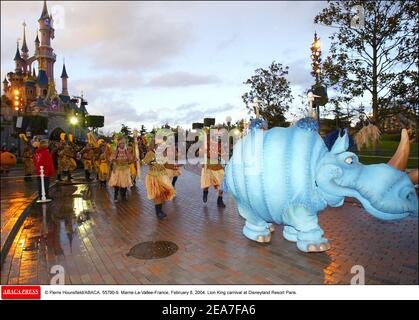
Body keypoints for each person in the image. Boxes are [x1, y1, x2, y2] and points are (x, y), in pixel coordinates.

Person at [141, 139, 176, 220]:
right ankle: (158, 212)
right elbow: (143, 162)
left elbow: (166, 165)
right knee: (157, 194)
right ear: (154, 145)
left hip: (162, 175)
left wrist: (174, 167)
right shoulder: (151, 153)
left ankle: (160, 210)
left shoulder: (163, 154)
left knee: (162, 193)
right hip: (153, 176)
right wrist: (140, 162)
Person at [200, 132, 226, 208]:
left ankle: (220, 200)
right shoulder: (205, 144)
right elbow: (200, 153)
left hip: (217, 166)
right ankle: (205, 192)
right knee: (206, 184)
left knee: (222, 184)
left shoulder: (219, 145)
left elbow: (224, 155)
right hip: (207, 166)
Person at [108, 137, 133, 201]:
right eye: (121, 143)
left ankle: (123, 196)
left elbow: (130, 159)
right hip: (117, 169)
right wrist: (114, 161)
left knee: (124, 183)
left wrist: (133, 160)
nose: (123, 145)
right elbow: (111, 159)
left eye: (123, 143)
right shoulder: (116, 151)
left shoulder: (126, 151)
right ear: (118, 144)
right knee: (117, 184)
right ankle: (115, 196)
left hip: (125, 169)